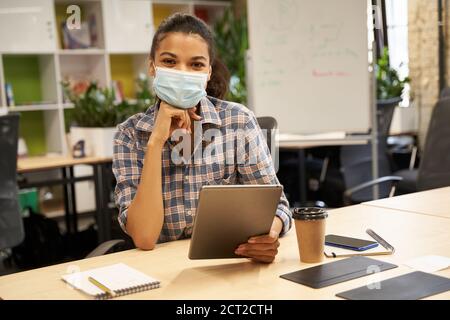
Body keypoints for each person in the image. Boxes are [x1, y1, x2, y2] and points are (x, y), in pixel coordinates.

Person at [112, 13, 292, 263]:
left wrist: (268, 236)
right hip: (161, 271)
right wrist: (155, 142)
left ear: (208, 72)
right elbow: (144, 237)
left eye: (196, 65)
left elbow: (279, 208)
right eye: (169, 61)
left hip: (228, 264)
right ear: (152, 66)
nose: (182, 72)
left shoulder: (238, 121)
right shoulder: (129, 135)